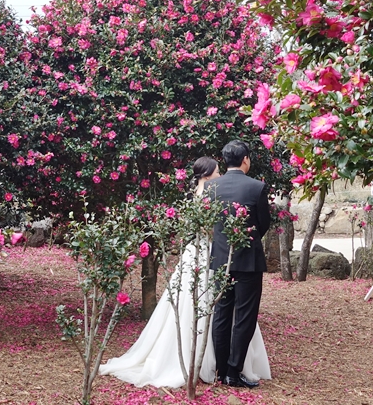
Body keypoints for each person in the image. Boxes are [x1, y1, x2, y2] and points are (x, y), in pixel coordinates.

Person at [98, 156, 270, 388]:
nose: (221, 175)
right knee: (214, 306)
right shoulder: (210, 195)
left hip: (199, 253)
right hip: (210, 254)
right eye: (217, 172)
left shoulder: (198, 196)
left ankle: (216, 364)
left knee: (212, 308)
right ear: (208, 176)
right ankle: (219, 364)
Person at [208, 140, 272, 388]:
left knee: (221, 313)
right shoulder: (257, 187)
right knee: (244, 317)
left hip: (220, 260)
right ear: (245, 159)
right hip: (248, 261)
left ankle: (220, 371)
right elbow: (263, 224)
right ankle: (234, 372)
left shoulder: (213, 186)